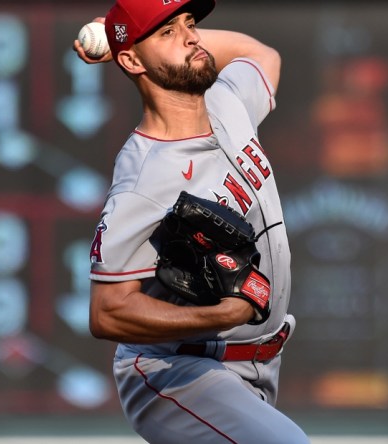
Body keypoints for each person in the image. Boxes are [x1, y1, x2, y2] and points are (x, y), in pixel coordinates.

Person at [73, 0, 309, 442]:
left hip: (257, 364)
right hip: (178, 370)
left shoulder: (228, 102)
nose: (191, 36)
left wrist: (127, 38)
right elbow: (107, 313)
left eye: (189, 23)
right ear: (131, 61)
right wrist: (221, 315)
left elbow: (262, 55)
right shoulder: (144, 178)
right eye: (166, 32)